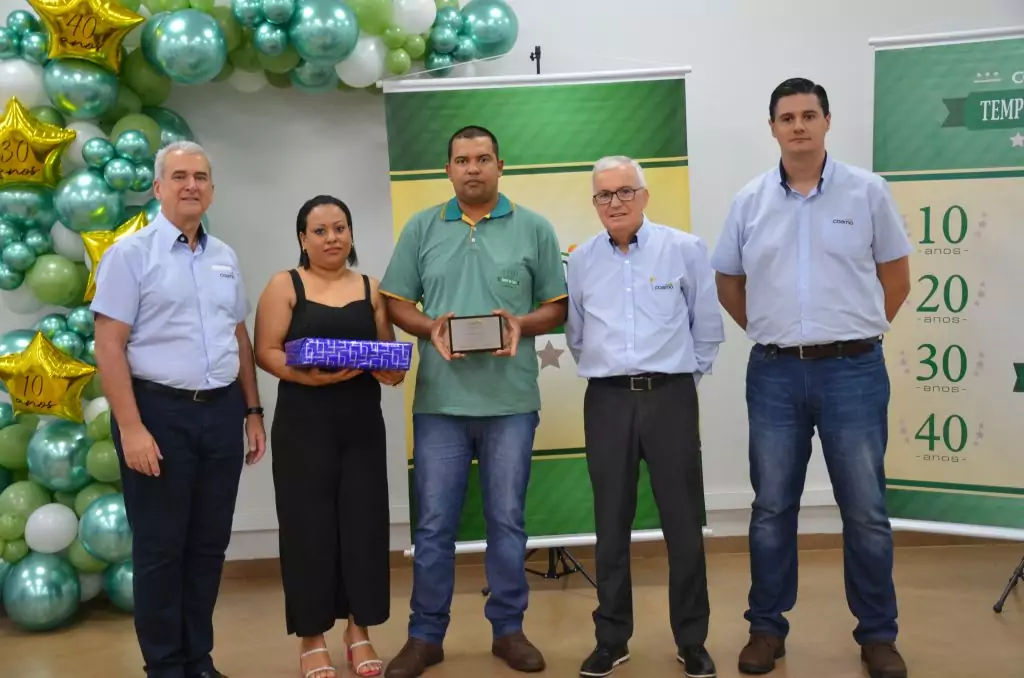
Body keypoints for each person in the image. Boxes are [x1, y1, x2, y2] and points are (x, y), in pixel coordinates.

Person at [710, 78, 912, 678]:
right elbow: (728, 281)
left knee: (866, 510)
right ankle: (766, 629)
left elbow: (896, 276)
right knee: (772, 508)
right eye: (786, 117)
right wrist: (774, 332)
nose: (798, 125)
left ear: (827, 122)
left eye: (808, 115)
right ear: (771, 128)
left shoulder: (868, 191)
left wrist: (858, 332)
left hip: (855, 370)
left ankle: (877, 635)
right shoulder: (749, 200)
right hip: (774, 374)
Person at [379, 125, 568, 678]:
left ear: (500, 165)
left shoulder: (534, 227)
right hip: (440, 403)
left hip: (511, 402)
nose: (473, 168)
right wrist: (429, 326)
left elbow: (555, 307)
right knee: (434, 525)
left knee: (507, 521)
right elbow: (395, 303)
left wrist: (521, 322)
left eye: (483, 159)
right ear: (449, 169)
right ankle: (425, 636)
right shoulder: (421, 228)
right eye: (462, 160)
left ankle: (508, 631)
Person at [91, 140, 267, 678]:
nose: (192, 185)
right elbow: (108, 345)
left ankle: (199, 658)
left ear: (211, 189)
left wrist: (253, 411)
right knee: (162, 549)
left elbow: (237, 336)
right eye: (180, 176)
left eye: (201, 176)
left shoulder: (224, 257)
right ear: (158, 187)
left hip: (219, 414)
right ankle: (165, 665)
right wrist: (131, 428)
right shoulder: (129, 255)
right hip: (158, 415)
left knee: (209, 545)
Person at [565, 156, 724, 678]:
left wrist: (678, 383)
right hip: (607, 400)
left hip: (671, 398)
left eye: (624, 192)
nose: (614, 203)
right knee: (610, 524)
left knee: (683, 523)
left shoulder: (685, 249)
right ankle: (611, 638)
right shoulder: (582, 260)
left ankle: (693, 640)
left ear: (644, 195)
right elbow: (578, 333)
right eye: (604, 195)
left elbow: (706, 329)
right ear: (595, 203)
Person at [253, 195, 403, 678]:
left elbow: (388, 358)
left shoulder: (372, 287)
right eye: (320, 231)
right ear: (302, 239)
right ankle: (311, 636)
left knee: (363, 525)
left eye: (340, 228)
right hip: (303, 422)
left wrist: (389, 370)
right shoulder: (285, 284)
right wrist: (306, 377)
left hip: (361, 423)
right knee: (307, 529)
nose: (332, 237)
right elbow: (266, 352)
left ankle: (359, 631)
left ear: (351, 234)